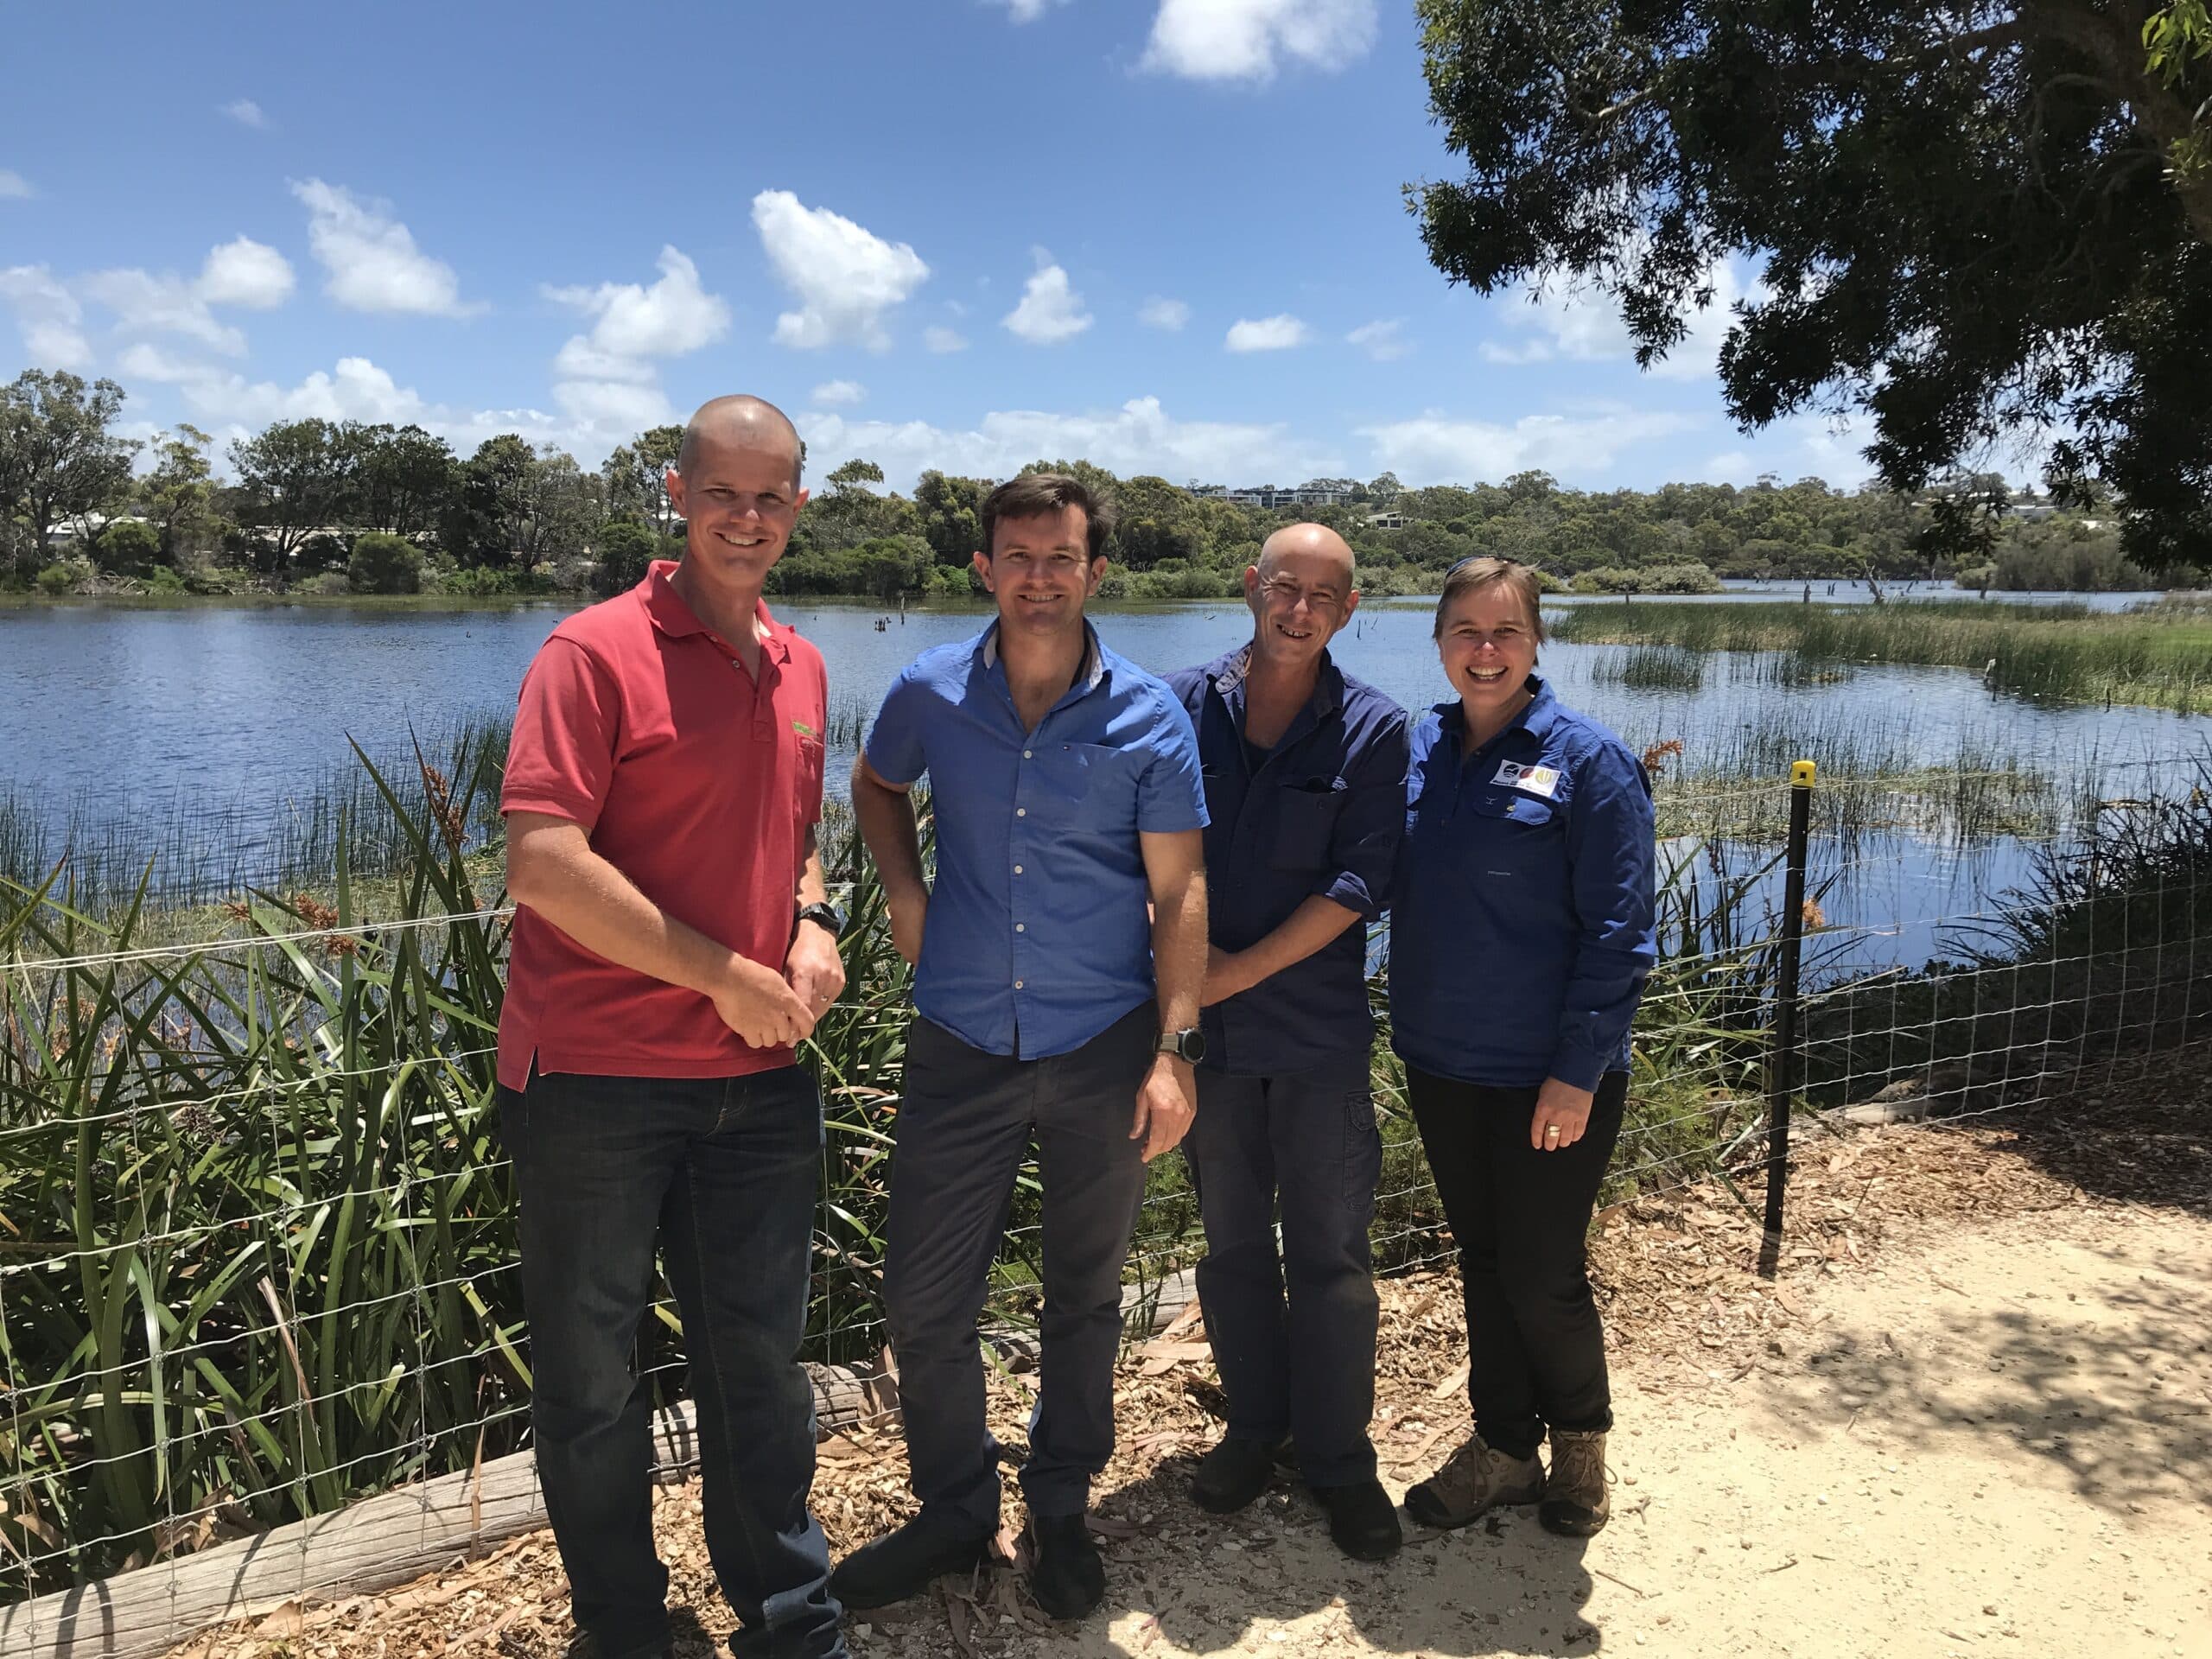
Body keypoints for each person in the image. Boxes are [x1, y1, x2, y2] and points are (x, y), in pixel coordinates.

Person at [497, 397, 849, 1659]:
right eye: (724, 493)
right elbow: (540, 861)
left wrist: (810, 923)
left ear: (798, 506)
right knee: (592, 1385)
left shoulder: (802, 665)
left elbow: (796, 841)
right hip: (594, 1078)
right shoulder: (589, 654)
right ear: (677, 492)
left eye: (772, 497)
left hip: (758, 1080)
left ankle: (791, 1620)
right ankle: (627, 1630)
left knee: (758, 1368)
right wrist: (719, 975)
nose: (747, 518)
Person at [838, 473, 1209, 1621]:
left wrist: (1174, 1047)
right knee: (923, 1299)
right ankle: (955, 1514)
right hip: (959, 1037)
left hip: (1102, 1039)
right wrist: (901, 886)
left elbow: (1182, 887)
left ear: (1097, 572)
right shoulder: (929, 690)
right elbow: (873, 781)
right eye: (1017, 555)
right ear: (982, 568)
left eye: (1061, 557)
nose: (1038, 577)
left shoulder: (1149, 714)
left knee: (1084, 1297)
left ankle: (1059, 1505)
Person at [1389, 556, 1656, 1540]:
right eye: (1465, 630)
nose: (1485, 650)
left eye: (1505, 631)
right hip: (1439, 1057)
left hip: (1551, 1073)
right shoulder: (1415, 749)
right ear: (1439, 641)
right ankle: (1502, 1447)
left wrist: (1576, 1072)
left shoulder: (1589, 762)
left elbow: (1621, 935)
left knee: (1541, 1272)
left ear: (1537, 640)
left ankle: (1580, 1443)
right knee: (1482, 1259)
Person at [1164, 525, 1409, 1560]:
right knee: (1228, 1251)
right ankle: (1254, 1430)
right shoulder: (1177, 705)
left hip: (1313, 1041)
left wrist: (1228, 975)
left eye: (1322, 595)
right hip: (1204, 1046)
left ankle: (1339, 1458)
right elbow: (1145, 854)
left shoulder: (1374, 728)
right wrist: (1184, 996)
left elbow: (1359, 883)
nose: (1298, 608)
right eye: (1283, 586)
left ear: (1347, 611)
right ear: (1250, 587)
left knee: (1331, 1257)